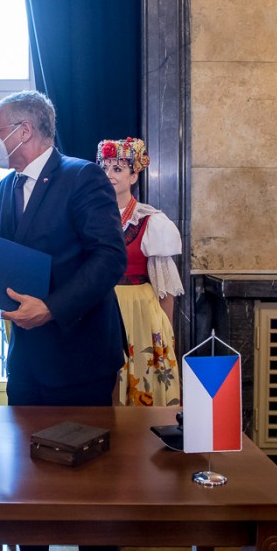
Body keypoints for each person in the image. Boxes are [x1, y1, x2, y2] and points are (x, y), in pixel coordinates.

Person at [0, 91, 126, 551]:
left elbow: (109, 257)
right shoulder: (7, 186)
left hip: (79, 352)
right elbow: (9, 256)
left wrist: (51, 308)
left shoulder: (82, 176)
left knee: (91, 481)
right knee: (28, 474)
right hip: (27, 358)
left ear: (23, 130)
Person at [96, 137, 184, 407]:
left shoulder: (151, 221)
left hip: (139, 313)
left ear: (134, 176)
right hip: (100, 308)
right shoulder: (90, 217)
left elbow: (165, 288)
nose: (109, 175)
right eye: (104, 168)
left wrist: (166, 335)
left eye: (117, 169)